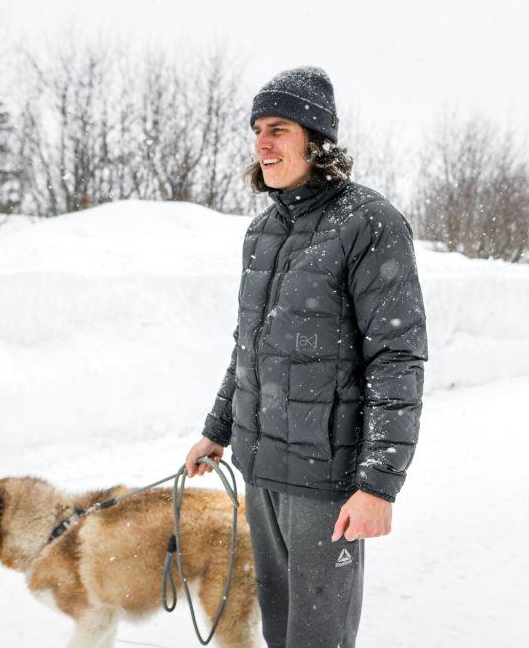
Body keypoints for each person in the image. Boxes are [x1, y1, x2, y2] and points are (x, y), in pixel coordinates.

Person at [185, 66, 427, 648]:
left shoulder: (368, 222)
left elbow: (397, 359)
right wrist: (218, 429)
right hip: (261, 467)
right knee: (279, 629)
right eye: (257, 131)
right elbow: (251, 347)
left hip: (326, 479)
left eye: (279, 129)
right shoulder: (262, 232)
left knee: (319, 636)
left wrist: (378, 486)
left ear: (316, 140)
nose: (262, 144)